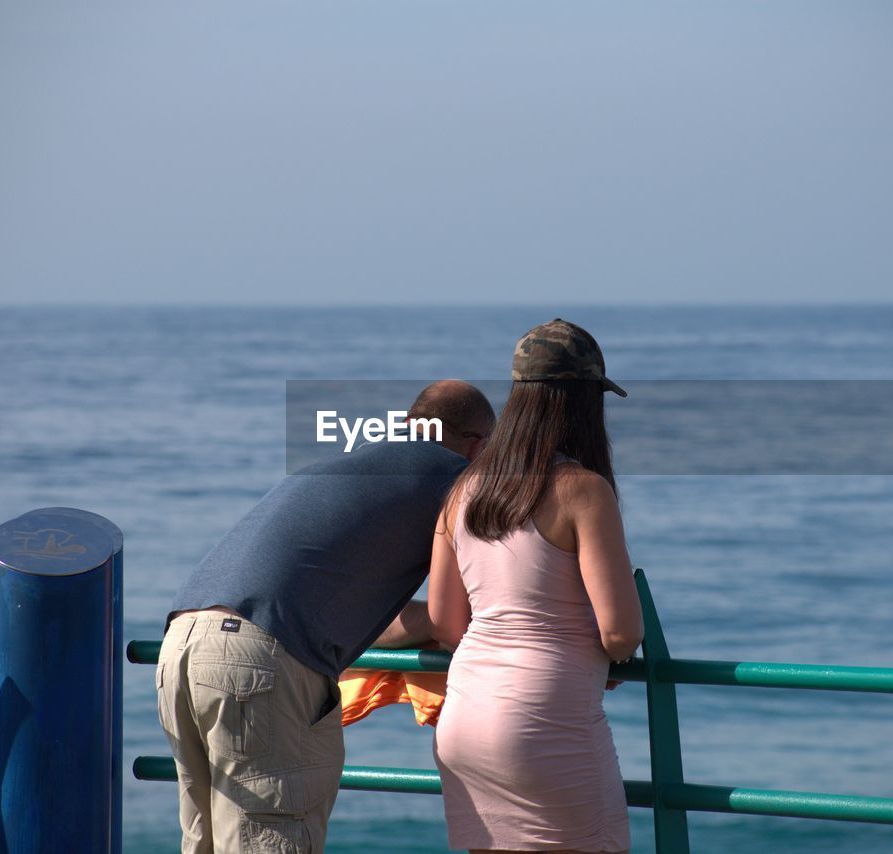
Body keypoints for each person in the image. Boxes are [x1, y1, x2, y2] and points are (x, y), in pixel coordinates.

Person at [157, 379, 494, 854]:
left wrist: (425, 624)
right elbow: (454, 620)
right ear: (477, 445)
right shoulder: (457, 482)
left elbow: (368, 610)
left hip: (181, 644)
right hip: (258, 660)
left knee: (204, 843)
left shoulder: (347, 467)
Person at [429, 320, 644, 854]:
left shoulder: (463, 490)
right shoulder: (583, 491)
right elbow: (620, 634)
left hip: (464, 718)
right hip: (545, 722)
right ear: (586, 403)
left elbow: (446, 623)